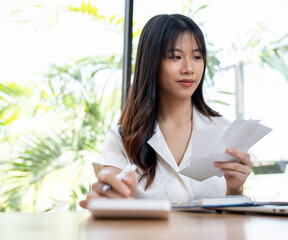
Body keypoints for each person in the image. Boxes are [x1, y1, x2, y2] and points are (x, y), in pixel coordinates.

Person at [80, 14, 253, 208]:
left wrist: (235, 190)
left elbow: (232, 225)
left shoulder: (223, 131)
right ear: (152, 62)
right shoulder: (123, 138)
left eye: (197, 57)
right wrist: (109, 194)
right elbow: (111, 193)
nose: (189, 68)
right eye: (176, 57)